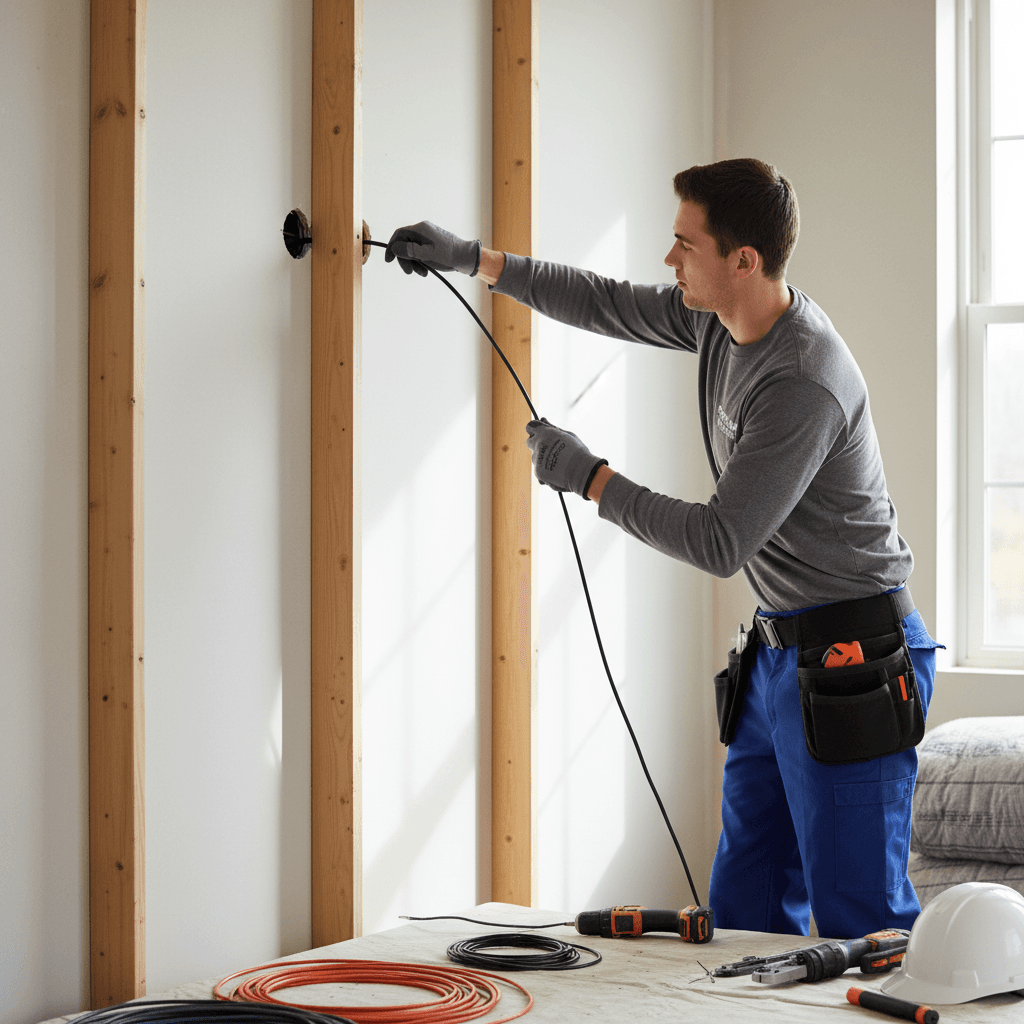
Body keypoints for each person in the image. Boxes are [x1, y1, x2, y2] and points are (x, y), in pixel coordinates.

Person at [386, 157, 941, 940]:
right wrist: (474, 258)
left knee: (860, 918)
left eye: (685, 244)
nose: (668, 259)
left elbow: (720, 540)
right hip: (780, 652)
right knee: (746, 904)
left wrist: (592, 479)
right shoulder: (717, 318)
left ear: (742, 261)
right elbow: (606, 302)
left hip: (856, 659)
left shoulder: (802, 381)